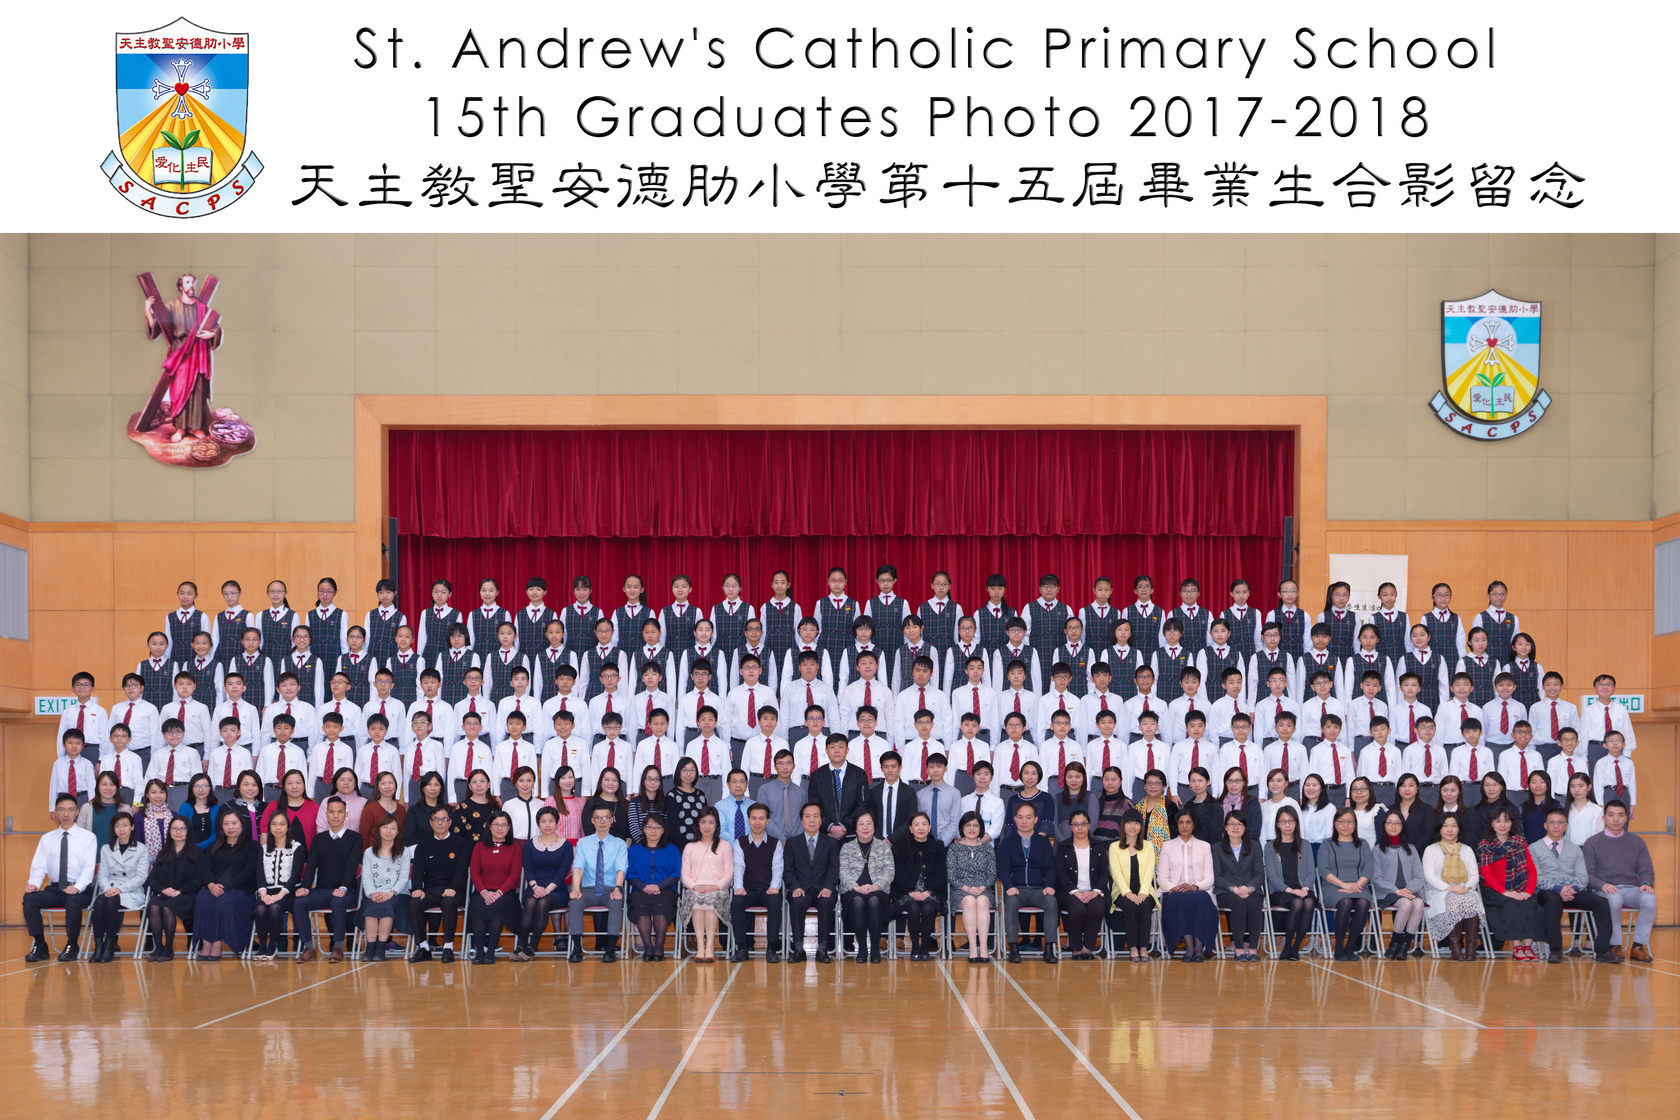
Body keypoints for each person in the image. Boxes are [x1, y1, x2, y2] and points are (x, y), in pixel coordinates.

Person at [1530, 807, 1621, 964]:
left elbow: (1582, 877)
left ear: (1566, 826)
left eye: (1560, 823)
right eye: (1552, 822)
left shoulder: (1575, 849)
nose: (1556, 826)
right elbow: (1536, 877)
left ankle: (1602, 950)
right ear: (1545, 825)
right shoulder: (1533, 848)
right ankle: (1555, 950)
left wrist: (1573, 889)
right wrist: (1558, 889)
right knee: (1553, 901)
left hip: (1572, 890)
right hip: (1547, 892)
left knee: (1602, 903)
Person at [21, 794, 99, 962]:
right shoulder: (47, 838)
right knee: (29, 899)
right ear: (55, 812)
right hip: (55, 889)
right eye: (62, 810)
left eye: (70, 810)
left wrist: (77, 887)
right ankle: (40, 945)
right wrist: (33, 884)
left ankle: (72, 944)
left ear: (77, 812)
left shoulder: (88, 837)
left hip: (81, 890)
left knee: (72, 900)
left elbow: (88, 868)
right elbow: (39, 866)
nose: (66, 814)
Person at [1583, 800, 1659, 962]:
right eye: (1611, 815)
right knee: (1614, 899)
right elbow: (1588, 874)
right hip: (1603, 889)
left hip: (1631, 888)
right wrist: (1603, 885)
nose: (1616, 819)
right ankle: (1614, 945)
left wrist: (1646, 883)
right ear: (1604, 818)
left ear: (1626, 818)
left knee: (1650, 899)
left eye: (1620, 815)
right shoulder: (1592, 842)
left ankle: (1638, 946)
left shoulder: (1637, 842)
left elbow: (1646, 869)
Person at [293, 795, 363, 963]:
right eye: (331, 812)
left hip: (347, 891)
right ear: (326, 815)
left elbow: (352, 866)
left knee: (337, 902)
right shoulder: (319, 839)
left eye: (340, 812)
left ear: (346, 814)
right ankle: (309, 948)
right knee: (299, 902)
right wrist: (305, 887)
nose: (335, 815)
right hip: (322, 890)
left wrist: (343, 887)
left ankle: (337, 947)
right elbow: (311, 866)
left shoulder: (355, 838)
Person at [1474, 807, 1545, 963]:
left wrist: (1528, 891)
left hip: (1520, 888)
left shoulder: (1519, 843)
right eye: (1498, 821)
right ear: (1492, 824)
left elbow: (1532, 870)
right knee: (1514, 904)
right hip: (1494, 891)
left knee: (1530, 903)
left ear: (1511, 823)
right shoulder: (1485, 845)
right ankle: (1517, 947)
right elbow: (1487, 874)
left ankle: (1527, 947)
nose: (1502, 825)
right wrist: (1505, 892)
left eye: (1506, 821)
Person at [193, 808, 259, 959]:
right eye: (226, 823)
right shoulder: (214, 846)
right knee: (203, 899)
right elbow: (206, 869)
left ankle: (217, 943)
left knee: (224, 901)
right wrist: (210, 885)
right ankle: (206, 943)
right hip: (214, 887)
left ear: (242, 824)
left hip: (240, 889)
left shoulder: (253, 846)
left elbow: (250, 870)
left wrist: (229, 887)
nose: (230, 827)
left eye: (234, 823)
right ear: (221, 826)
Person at [408, 805, 469, 962]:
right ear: (431, 822)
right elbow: (417, 871)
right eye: (436, 819)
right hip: (431, 891)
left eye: (443, 819)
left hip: (455, 890)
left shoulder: (461, 844)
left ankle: (448, 948)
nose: (440, 823)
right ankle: (423, 947)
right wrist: (417, 889)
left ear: (450, 822)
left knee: (448, 903)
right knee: (415, 903)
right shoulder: (423, 846)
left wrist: (453, 888)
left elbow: (461, 871)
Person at [87, 812, 149, 963]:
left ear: (132, 827)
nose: (121, 829)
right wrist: (108, 889)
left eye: (125, 825)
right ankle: (98, 946)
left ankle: (110, 946)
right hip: (110, 889)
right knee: (99, 902)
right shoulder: (106, 848)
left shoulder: (141, 849)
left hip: (131, 891)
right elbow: (102, 876)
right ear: (113, 829)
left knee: (110, 902)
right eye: (117, 826)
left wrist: (120, 890)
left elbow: (141, 877)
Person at [1423, 814, 1486, 961]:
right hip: (1439, 890)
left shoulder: (1467, 849)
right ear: (1439, 829)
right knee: (1454, 899)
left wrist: (1467, 887)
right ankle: (1455, 946)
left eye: (1454, 825)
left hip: (1465, 889)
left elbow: (1474, 875)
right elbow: (1429, 876)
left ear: (1459, 828)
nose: (1450, 829)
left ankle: (1471, 947)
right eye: (1445, 826)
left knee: (1471, 899)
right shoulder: (1431, 850)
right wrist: (1450, 888)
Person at [1158, 807, 1217, 961]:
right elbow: (1161, 877)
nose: (1184, 826)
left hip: (1199, 890)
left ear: (1194, 825)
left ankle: (1199, 947)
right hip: (1175, 891)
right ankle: (1189, 947)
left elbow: (1209, 878)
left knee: (1200, 898)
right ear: (1176, 825)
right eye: (1181, 822)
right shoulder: (1168, 846)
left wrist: (1194, 887)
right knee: (1179, 899)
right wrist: (1175, 887)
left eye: (1188, 822)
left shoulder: (1204, 846)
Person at [730, 803, 785, 962]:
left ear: (767, 821)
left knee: (775, 901)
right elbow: (739, 866)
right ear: (748, 820)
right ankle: (742, 948)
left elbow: (777, 868)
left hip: (768, 890)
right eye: (753, 818)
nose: (757, 822)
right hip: (747, 890)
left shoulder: (775, 843)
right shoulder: (740, 842)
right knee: (736, 902)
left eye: (761, 818)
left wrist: (774, 886)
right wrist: (738, 887)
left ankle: (771, 949)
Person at [839, 810, 895, 963]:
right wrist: (855, 887)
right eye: (861, 824)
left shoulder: (883, 847)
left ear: (874, 827)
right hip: (852, 890)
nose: (865, 827)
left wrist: (875, 886)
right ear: (855, 828)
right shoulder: (847, 847)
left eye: (869, 824)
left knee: (874, 901)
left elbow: (889, 873)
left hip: (878, 889)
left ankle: (875, 948)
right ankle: (862, 948)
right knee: (857, 901)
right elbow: (842, 873)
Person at [890, 811, 947, 960]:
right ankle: (915, 948)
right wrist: (911, 891)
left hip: (931, 892)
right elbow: (899, 872)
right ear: (910, 828)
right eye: (916, 824)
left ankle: (925, 948)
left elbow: (941, 874)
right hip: (906, 892)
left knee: (928, 907)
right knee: (913, 907)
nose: (920, 828)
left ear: (929, 827)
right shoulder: (901, 846)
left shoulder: (938, 846)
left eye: (924, 824)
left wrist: (929, 891)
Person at [1319, 808, 1374, 961]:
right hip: (1333, 887)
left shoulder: (1363, 844)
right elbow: (1323, 869)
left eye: (1349, 822)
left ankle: (1349, 948)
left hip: (1359, 887)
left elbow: (1369, 869)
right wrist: (1344, 885)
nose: (1345, 825)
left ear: (1355, 824)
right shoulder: (1327, 844)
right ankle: (1338, 948)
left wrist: (1355, 886)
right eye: (1341, 821)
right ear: (1335, 824)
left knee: (1363, 903)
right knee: (1345, 902)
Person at [467, 812, 522, 964]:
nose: (500, 828)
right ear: (489, 827)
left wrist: (498, 893)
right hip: (482, 892)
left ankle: (490, 952)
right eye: (496, 824)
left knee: (497, 909)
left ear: (509, 828)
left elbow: (515, 874)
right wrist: (484, 892)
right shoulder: (479, 847)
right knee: (478, 907)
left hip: (506, 893)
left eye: (503, 825)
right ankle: (479, 952)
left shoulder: (514, 848)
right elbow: (474, 872)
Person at [144, 816, 201, 961]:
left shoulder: (197, 852)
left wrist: (180, 891)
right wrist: (163, 889)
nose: (178, 832)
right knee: (153, 905)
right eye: (174, 828)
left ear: (188, 831)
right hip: (166, 893)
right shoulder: (163, 852)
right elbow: (153, 878)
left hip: (187, 895)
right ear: (169, 831)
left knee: (167, 907)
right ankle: (159, 947)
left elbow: (199, 879)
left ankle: (168, 949)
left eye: (182, 828)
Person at [1264, 806, 1318, 960]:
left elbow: (1311, 872)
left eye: (1291, 821)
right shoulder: (1270, 846)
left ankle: (1295, 947)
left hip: (1303, 889)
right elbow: (1271, 875)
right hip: (1281, 891)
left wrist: (1304, 888)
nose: (1287, 825)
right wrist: (1290, 890)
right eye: (1283, 821)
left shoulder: (1305, 845)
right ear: (1277, 824)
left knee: (1309, 903)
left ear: (1296, 824)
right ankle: (1287, 946)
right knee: (1298, 903)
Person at [677, 808, 731, 963]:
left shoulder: (725, 845)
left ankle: (710, 946)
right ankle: (700, 946)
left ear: (716, 825)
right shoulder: (690, 847)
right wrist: (695, 887)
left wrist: (716, 886)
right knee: (697, 900)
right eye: (703, 822)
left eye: (711, 822)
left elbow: (729, 872)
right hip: (695, 889)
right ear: (698, 824)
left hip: (718, 890)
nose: (707, 826)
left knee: (711, 900)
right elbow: (684, 873)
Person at [1055, 809, 1110, 959]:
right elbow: (1061, 874)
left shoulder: (1098, 846)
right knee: (1077, 909)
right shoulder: (1063, 847)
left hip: (1093, 891)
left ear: (1089, 825)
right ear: (1070, 827)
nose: (1080, 828)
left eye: (1083, 824)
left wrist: (1094, 892)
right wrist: (1076, 892)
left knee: (1097, 908)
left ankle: (1088, 947)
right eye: (1076, 824)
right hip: (1071, 892)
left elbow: (1104, 874)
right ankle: (1076, 948)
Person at [625, 811, 680, 961]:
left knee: (661, 906)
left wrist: (659, 887)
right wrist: (644, 886)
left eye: (657, 827)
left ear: (663, 830)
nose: (653, 831)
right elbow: (629, 873)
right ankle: (648, 947)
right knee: (641, 905)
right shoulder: (634, 850)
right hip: (640, 890)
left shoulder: (672, 849)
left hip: (666, 890)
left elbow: (675, 873)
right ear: (643, 829)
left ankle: (659, 947)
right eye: (649, 827)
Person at [1373, 810, 1426, 958]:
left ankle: (1405, 945)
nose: (1393, 826)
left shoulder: (1411, 848)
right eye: (1390, 822)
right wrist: (1397, 891)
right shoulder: (1377, 849)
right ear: (1384, 825)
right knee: (1406, 904)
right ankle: (1394, 944)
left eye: (1397, 823)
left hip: (1409, 891)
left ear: (1402, 826)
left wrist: (1409, 889)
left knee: (1419, 904)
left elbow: (1419, 875)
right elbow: (1376, 878)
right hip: (1387, 892)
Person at [1213, 810, 1265, 961]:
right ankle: (1239, 948)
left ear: (1245, 827)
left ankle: (1253, 948)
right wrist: (1234, 888)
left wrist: (1248, 888)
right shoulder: (1217, 848)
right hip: (1226, 891)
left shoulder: (1254, 846)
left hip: (1251, 890)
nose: (1235, 827)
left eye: (1239, 824)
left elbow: (1259, 874)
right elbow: (1217, 876)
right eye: (1231, 824)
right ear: (1225, 827)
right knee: (1239, 904)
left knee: (1254, 904)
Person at [1107, 810, 1158, 961]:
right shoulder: (1114, 847)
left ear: (1141, 826)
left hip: (1145, 890)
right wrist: (1128, 893)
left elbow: (1149, 872)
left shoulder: (1148, 846)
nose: (1132, 827)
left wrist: (1143, 893)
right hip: (1122, 891)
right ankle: (1133, 948)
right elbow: (1116, 873)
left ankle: (1143, 948)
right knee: (1129, 906)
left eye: (1136, 823)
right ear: (1123, 825)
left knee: (1144, 905)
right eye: (1129, 823)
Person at [253, 809, 305, 959]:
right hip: (268, 892)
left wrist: (280, 895)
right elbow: (259, 874)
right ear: (269, 827)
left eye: (282, 824)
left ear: (288, 827)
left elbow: (295, 876)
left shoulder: (297, 848)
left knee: (275, 908)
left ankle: (272, 947)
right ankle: (262, 946)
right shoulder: (263, 849)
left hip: (289, 893)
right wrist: (263, 894)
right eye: (274, 824)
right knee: (260, 909)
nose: (278, 827)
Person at [359, 815, 412, 961]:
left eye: (393, 828)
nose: (389, 831)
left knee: (387, 908)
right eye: (385, 827)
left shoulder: (404, 852)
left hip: (397, 894)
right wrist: (372, 893)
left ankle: (381, 948)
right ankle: (370, 949)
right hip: (375, 893)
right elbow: (367, 877)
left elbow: (403, 878)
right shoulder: (369, 852)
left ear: (398, 832)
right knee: (370, 907)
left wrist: (390, 893)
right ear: (379, 830)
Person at [948, 811, 997, 962]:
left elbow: (992, 874)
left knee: (981, 901)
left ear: (981, 828)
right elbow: (951, 875)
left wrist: (982, 887)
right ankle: (972, 947)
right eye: (968, 825)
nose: (971, 828)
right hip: (961, 890)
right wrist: (966, 888)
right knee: (969, 901)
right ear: (962, 828)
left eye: (975, 825)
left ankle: (984, 947)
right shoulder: (954, 848)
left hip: (983, 889)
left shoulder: (987, 848)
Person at [1386, 774, 1437, 853]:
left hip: (1419, 854)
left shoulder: (1427, 810)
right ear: (1398, 789)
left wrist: (1411, 851)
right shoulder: (1389, 810)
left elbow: (1428, 835)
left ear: (1417, 788)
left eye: (1411, 785)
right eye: (1403, 786)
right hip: (1393, 853)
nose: (1407, 789)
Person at [1052, 762, 1100, 842]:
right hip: (1062, 845)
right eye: (1070, 777)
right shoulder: (1056, 798)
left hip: (1085, 844)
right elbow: (1054, 826)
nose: (1074, 780)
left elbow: (1092, 826)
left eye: (1077, 776)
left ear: (1083, 777)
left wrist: (1077, 843)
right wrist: (1065, 844)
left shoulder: (1091, 797)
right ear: (1065, 778)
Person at [666, 758, 708, 846]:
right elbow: (673, 827)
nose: (688, 774)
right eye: (684, 770)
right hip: (680, 845)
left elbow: (705, 822)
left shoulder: (701, 795)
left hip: (700, 845)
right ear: (678, 772)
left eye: (692, 770)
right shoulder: (672, 795)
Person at [452, 769, 502, 844]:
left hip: (492, 848)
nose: (479, 785)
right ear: (469, 786)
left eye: (482, 781)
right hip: (469, 849)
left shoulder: (496, 806)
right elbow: (457, 835)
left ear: (488, 784)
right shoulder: (462, 807)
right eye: (474, 782)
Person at [582, 766, 631, 841]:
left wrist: (624, 847)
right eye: (607, 779)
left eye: (615, 780)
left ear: (619, 784)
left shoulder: (627, 805)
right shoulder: (591, 804)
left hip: (623, 847)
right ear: (600, 782)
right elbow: (589, 831)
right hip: (597, 846)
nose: (610, 783)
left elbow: (629, 834)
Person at [628, 764, 669, 844]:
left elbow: (666, 827)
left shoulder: (665, 802)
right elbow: (634, 829)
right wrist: (648, 845)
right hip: (640, 845)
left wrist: (657, 845)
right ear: (643, 781)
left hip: (661, 846)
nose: (652, 782)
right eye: (649, 779)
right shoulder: (634, 802)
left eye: (656, 779)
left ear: (660, 782)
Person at [1258, 769, 1299, 845]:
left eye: (1279, 781)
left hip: (1287, 847)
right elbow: (1261, 832)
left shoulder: (1292, 803)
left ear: (1286, 783)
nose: (1275, 784)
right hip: (1266, 848)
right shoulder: (1263, 806)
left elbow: (1299, 829)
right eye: (1272, 780)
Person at [1565, 773, 1604, 847]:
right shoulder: (1565, 810)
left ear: (1589, 787)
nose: (1576, 790)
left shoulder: (1597, 810)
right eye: (1573, 786)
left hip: (1590, 850)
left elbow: (1599, 837)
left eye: (1580, 786)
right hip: (1569, 850)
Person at [1520, 771, 1560, 844]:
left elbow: (1561, 829)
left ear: (1548, 784)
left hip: (1552, 848)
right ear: (1529, 785)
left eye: (1542, 782)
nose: (1538, 785)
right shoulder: (1522, 807)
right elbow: (1519, 831)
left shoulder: (1557, 805)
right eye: (1534, 782)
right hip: (1529, 848)